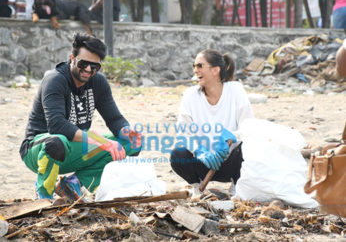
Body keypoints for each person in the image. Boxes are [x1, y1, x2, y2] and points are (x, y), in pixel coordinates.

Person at [19, 33, 142, 200]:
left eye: (95, 67)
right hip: (38, 149)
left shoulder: (98, 83)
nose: (88, 70)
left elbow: (114, 119)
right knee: (57, 142)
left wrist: (126, 130)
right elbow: (57, 126)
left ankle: (73, 184)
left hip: (74, 148)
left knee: (131, 143)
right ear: (72, 58)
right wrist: (101, 141)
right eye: (83, 64)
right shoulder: (54, 80)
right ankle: (44, 194)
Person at [170, 49, 254, 195]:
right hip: (204, 162)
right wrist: (199, 151)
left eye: (200, 66)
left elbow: (249, 127)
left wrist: (231, 136)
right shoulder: (190, 95)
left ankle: (237, 186)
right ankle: (197, 187)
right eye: (194, 66)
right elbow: (183, 133)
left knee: (252, 148)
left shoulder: (236, 90)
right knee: (178, 153)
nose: (195, 70)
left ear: (215, 70)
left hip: (231, 162)